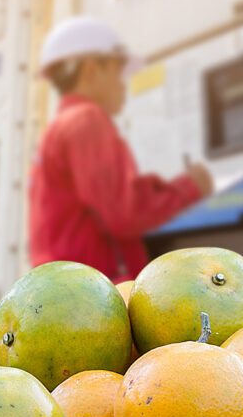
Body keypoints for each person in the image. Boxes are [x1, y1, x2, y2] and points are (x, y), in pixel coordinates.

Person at [29, 16, 214, 282]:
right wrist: (191, 186)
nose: (123, 85)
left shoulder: (58, 127)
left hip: (66, 289)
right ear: (91, 70)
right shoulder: (86, 120)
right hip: (96, 294)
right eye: (118, 72)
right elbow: (123, 213)